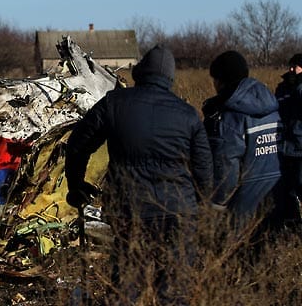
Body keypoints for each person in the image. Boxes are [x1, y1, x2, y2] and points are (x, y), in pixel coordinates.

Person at [65, 45, 213, 303]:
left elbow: (78, 144)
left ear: (140, 72)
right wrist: (197, 205)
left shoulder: (114, 103)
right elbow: (204, 170)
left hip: (130, 210)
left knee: (127, 283)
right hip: (179, 212)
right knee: (174, 286)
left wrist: (76, 184)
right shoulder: (188, 114)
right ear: (170, 78)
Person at [202, 50, 283, 233]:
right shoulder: (271, 107)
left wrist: (217, 204)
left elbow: (226, 166)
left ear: (221, 81)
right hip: (276, 197)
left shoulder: (229, 117)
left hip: (242, 208)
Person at [273, 53, 302, 227]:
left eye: (296, 66)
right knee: (286, 188)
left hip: (299, 147)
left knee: (300, 184)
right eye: (290, 66)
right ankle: (291, 223)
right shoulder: (282, 87)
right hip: (284, 146)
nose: (291, 70)